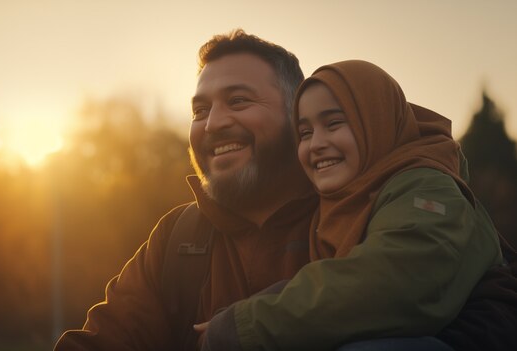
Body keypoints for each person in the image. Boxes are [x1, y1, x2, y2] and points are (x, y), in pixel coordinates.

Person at [197, 60, 504, 350]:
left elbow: (395, 284)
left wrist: (244, 325)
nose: (316, 143)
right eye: (305, 133)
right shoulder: (340, 205)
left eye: (334, 123)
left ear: (376, 122)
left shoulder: (426, 184)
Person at [54, 29, 318, 350]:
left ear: (297, 116)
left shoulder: (353, 215)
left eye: (238, 101)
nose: (213, 124)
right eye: (200, 111)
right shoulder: (177, 238)